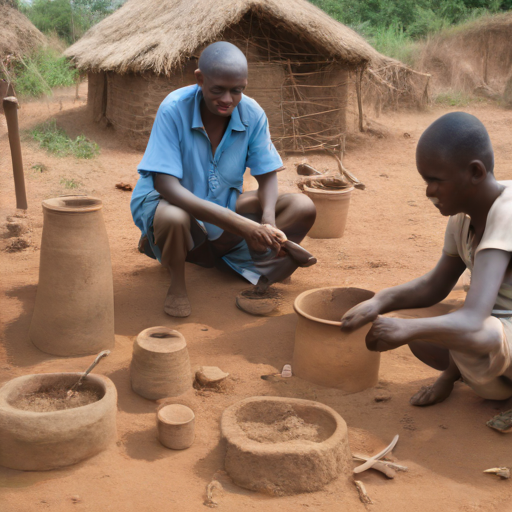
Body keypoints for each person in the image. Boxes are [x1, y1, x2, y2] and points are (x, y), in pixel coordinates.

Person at [131, 41, 316, 318]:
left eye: (236, 90)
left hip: (223, 203)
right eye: (217, 89)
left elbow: (265, 175)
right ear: (200, 79)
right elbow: (166, 185)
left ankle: (230, 257)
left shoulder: (252, 113)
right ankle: (177, 281)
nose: (227, 99)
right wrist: (244, 227)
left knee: (301, 206)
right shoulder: (174, 109)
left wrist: (267, 222)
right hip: (169, 201)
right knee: (174, 219)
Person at [340, 112, 512, 406]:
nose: (429, 191)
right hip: (497, 333)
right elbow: (436, 284)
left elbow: (473, 320)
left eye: (435, 180)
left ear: (475, 172)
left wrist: (406, 329)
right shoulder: (462, 217)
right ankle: (456, 376)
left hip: (494, 334)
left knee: (479, 332)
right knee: (424, 331)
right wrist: (381, 301)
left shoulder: (507, 214)